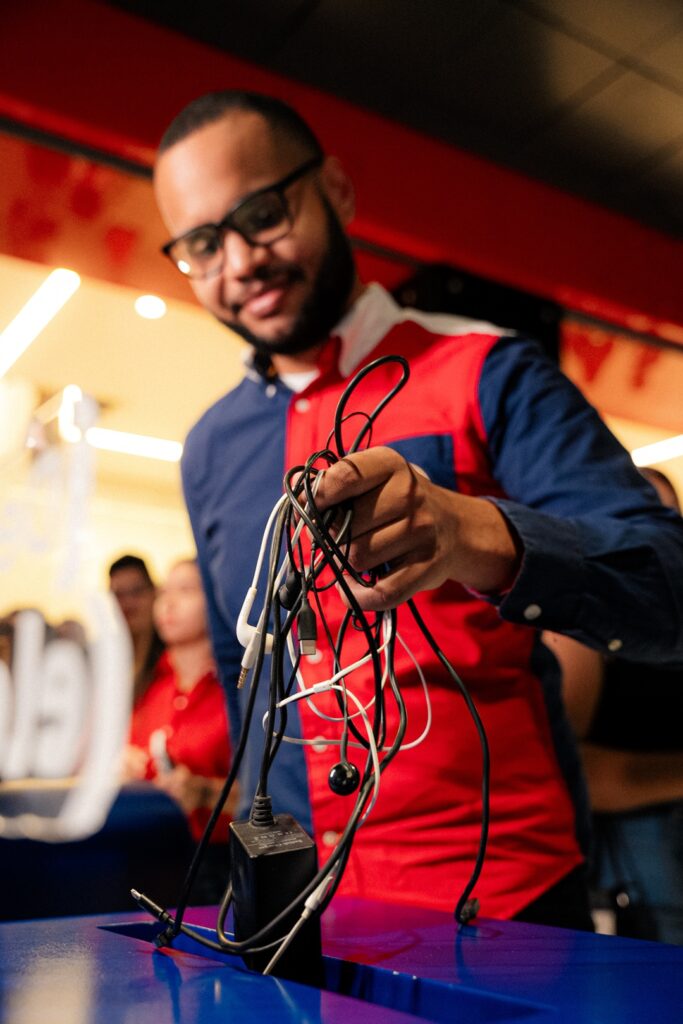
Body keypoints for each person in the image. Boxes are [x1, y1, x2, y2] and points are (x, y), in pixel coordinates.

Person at [152, 90, 683, 926]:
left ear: (336, 191)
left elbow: (666, 585)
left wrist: (479, 533)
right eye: (202, 244)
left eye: (261, 215)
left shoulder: (490, 371)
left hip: (502, 899)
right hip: (302, 912)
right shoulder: (209, 448)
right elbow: (243, 676)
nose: (240, 261)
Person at [545, 468, 683, 943]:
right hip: (640, 843)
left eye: (664, 518)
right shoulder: (578, 618)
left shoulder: (668, 609)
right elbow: (577, 770)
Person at [122, 558, 236, 900]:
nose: (168, 604)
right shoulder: (148, 686)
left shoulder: (234, 691)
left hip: (220, 865)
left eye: (186, 591)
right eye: (163, 593)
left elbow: (272, 796)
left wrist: (204, 792)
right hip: (150, 858)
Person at [108, 554, 165, 704]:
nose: (128, 603)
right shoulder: (108, 659)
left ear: (155, 592)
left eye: (136, 592)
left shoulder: (170, 659)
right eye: (119, 595)